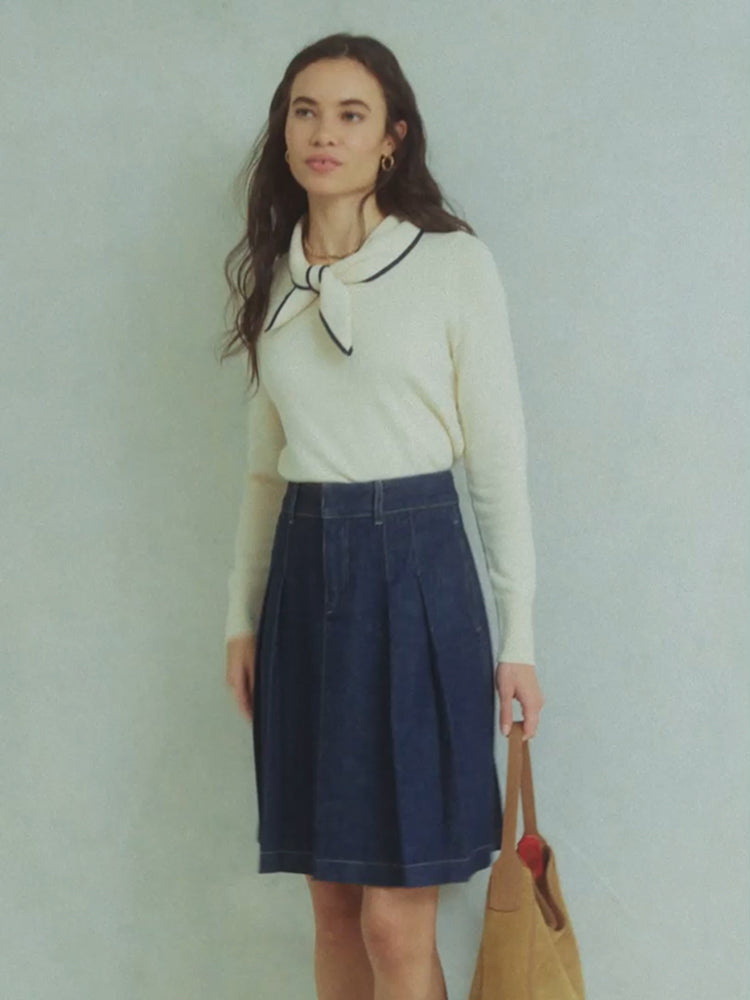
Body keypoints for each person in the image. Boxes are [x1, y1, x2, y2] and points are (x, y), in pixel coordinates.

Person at [220, 31, 544, 1000]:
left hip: (418, 577)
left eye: (351, 114)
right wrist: (240, 617)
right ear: (285, 133)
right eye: (306, 112)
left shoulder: (452, 264)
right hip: (302, 582)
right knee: (330, 907)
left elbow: (498, 461)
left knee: (394, 921)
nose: (325, 133)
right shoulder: (279, 278)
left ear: (391, 139)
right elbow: (265, 474)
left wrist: (519, 635)